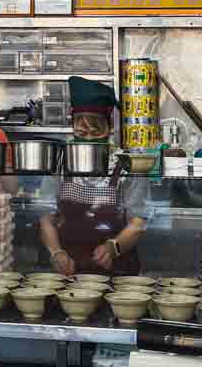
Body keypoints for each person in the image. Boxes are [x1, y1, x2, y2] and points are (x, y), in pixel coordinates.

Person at [38, 77, 147, 274]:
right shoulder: (59, 161)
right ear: (73, 125)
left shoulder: (127, 165)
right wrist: (56, 252)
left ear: (109, 126)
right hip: (69, 271)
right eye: (81, 129)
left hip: (119, 273)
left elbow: (137, 222)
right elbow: (46, 216)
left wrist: (114, 246)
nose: (88, 138)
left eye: (95, 130)